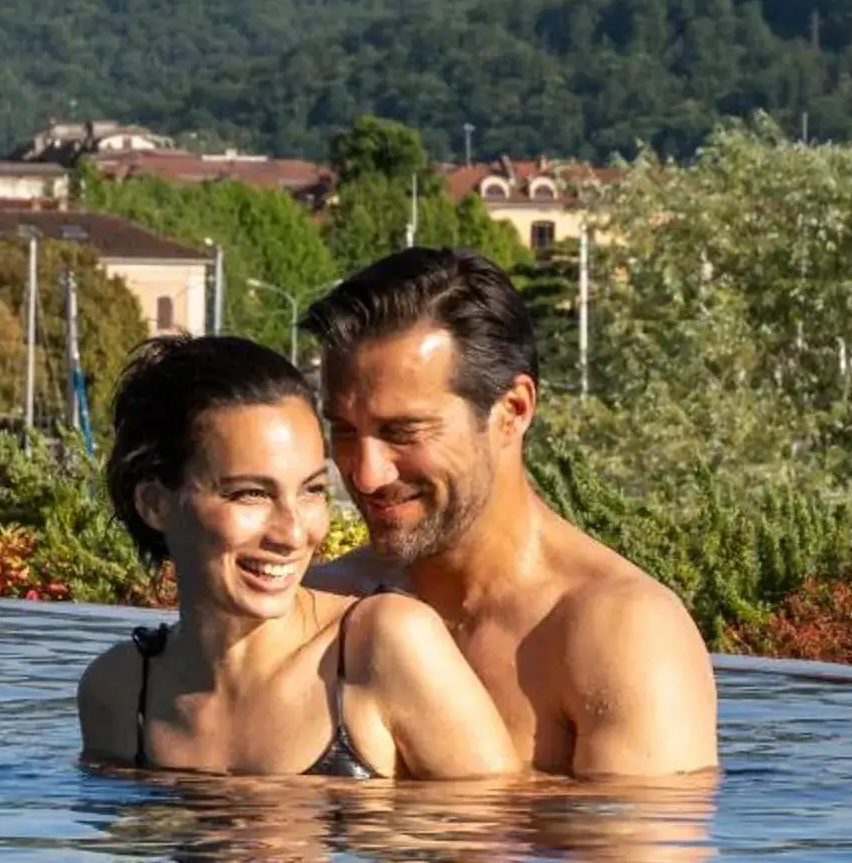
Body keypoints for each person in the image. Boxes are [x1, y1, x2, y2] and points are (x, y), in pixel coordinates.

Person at [305, 248, 719, 778]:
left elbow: (636, 858)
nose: (364, 474)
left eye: (403, 432)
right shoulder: (325, 603)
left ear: (512, 411)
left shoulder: (619, 636)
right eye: (343, 430)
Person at [77, 334, 521, 780]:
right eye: (251, 494)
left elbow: (499, 835)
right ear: (155, 504)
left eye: (312, 490)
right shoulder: (120, 691)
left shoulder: (381, 646)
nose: (292, 533)